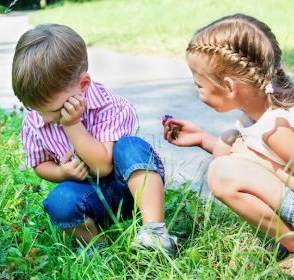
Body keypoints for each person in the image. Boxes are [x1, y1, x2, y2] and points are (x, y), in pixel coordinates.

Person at [163, 13, 294, 276]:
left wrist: (261, 161)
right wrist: (204, 139)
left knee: (221, 174)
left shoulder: (279, 129)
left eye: (199, 85)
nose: (198, 91)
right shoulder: (278, 107)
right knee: (230, 139)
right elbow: (236, 150)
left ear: (228, 86)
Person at [12, 23, 177, 257]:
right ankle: (95, 246)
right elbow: (40, 164)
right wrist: (61, 174)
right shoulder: (35, 120)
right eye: (36, 109)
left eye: (55, 110)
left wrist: (71, 125)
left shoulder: (110, 106)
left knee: (131, 147)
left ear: (83, 85)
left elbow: (103, 165)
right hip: (88, 196)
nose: (46, 119)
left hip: (128, 191)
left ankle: (155, 231)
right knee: (58, 200)